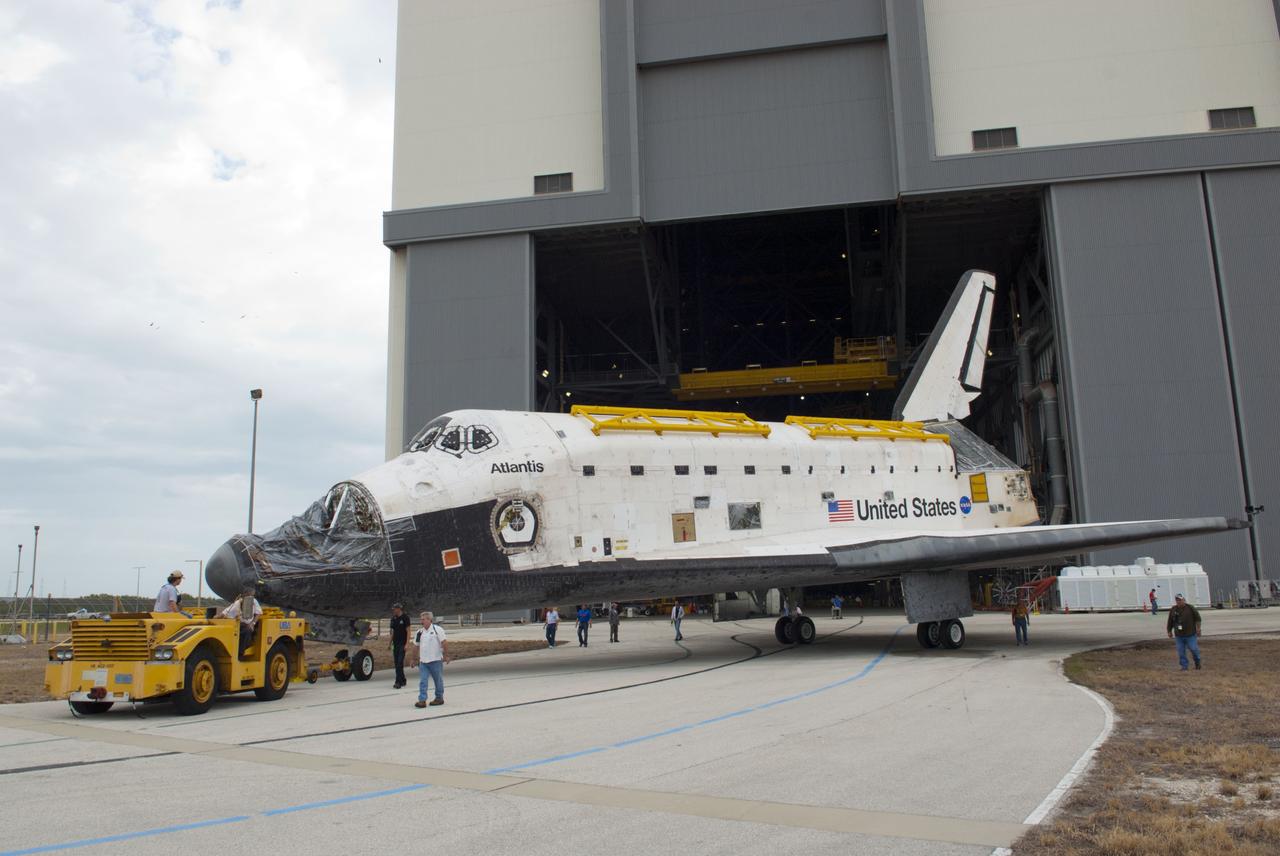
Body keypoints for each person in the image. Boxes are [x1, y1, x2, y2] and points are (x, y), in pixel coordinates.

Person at [411, 611, 449, 707]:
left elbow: (444, 642)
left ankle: (439, 698)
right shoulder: (419, 632)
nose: (421, 621)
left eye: (423, 619)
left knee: (438, 680)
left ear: (429, 620)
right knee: (423, 681)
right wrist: (413, 659)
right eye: (421, 619)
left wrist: (446, 655)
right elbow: (416, 646)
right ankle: (422, 700)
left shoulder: (437, 630)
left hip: (435, 660)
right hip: (423, 662)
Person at [219, 586, 262, 655]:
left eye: (252, 596)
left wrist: (253, 623)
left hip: (249, 624)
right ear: (244, 595)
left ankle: (240, 653)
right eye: (249, 595)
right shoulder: (237, 604)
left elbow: (258, 613)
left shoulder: (254, 601)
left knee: (247, 630)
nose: (251, 598)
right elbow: (226, 612)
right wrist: (217, 617)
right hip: (239, 624)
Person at [1166, 593, 1202, 671]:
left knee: (1193, 649)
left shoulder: (1190, 608)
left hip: (1190, 634)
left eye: (1180, 600)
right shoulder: (1173, 609)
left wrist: (1198, 629)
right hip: (1179, 635)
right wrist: (1169, 631)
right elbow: (1170, 621)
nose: (1179, 601)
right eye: (1177, 600)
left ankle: (1197, 662)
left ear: (1184, 600)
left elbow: (1198, 619)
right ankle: (1184, 666)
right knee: (1181, 651)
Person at [389, 603, 411, 688]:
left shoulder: (405, 618)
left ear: (399, 609)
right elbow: (393, 632)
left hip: (403, 644)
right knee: (397, 663)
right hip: (396, 644)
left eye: (395, 609)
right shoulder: (393, 618)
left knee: (399, 663)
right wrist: (389, 643)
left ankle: (397, 682)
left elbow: (408, 631)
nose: (393, 610)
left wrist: (407, 643)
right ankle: (403, 680)